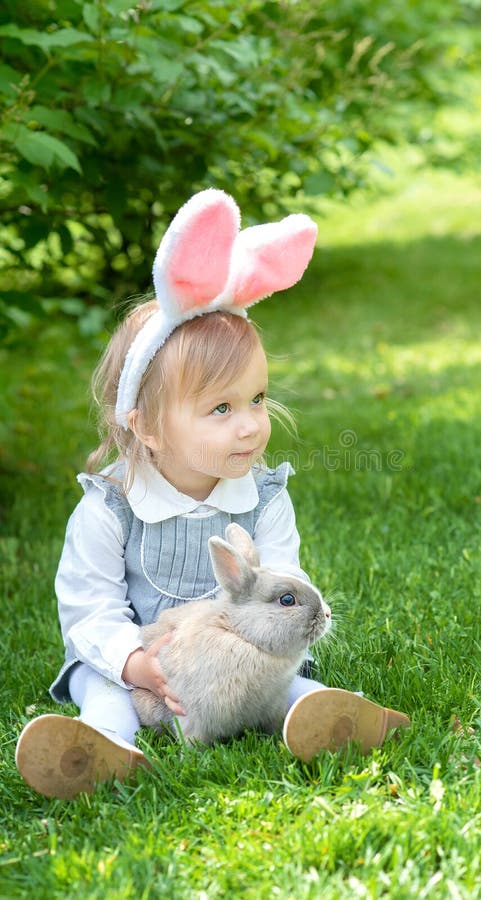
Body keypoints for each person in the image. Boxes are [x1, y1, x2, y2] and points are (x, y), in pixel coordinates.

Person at [15, 189, 410, 799]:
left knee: (279, 686)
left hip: (243, 661)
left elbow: (286, 584)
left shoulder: (264, 497)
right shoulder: (110, 509)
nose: (250, 423)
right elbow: (89, 608)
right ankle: (103, 745)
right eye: (221, 408)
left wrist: (273, 648)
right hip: (148, 667)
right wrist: (136, 663)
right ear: (144, 426)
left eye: (256, 399)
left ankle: (329, 715)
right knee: (105, 690)